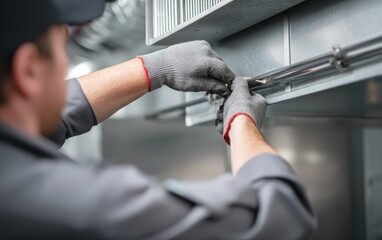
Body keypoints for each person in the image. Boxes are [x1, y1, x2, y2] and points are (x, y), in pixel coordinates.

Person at [0, 0, 316, 239]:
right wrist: (241, 123)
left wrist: (156, 67)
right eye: (61, 52)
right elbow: (279, 217)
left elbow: (49, 119)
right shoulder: (75, 206)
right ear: (28, 70)